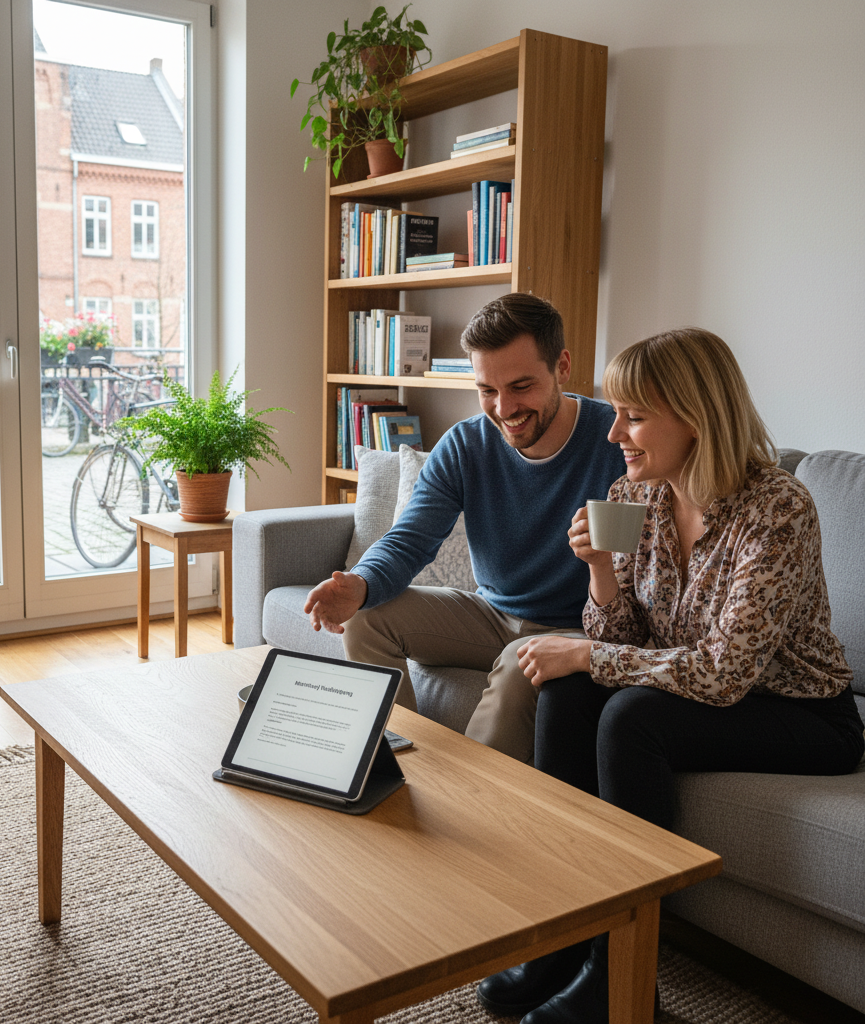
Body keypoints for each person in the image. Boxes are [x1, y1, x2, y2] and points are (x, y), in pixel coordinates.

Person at [476, 327, 865, 1023]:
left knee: (632, 715)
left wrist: (591, 655)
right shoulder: (637, 493)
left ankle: (619, 979)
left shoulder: (777, 508)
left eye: (634, 415)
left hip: (804, 713)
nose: (614, 432)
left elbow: (722, 673)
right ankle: (563, 941)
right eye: (618, 411)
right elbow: (621, 637)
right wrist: (599, 572)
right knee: (567, 691)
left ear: (696, 414)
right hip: (709, 691)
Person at [303, 293, 626, 764]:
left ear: (562, 365)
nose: (504, 408)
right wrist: (361, 582)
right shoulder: (466, 444)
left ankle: (468, 804)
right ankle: (393, 767)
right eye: (487, 390)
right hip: (493, 614)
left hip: (581, 628)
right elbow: (411, 537)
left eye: (520, 386)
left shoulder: (617, 441)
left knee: (523, 661)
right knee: (368, 618)